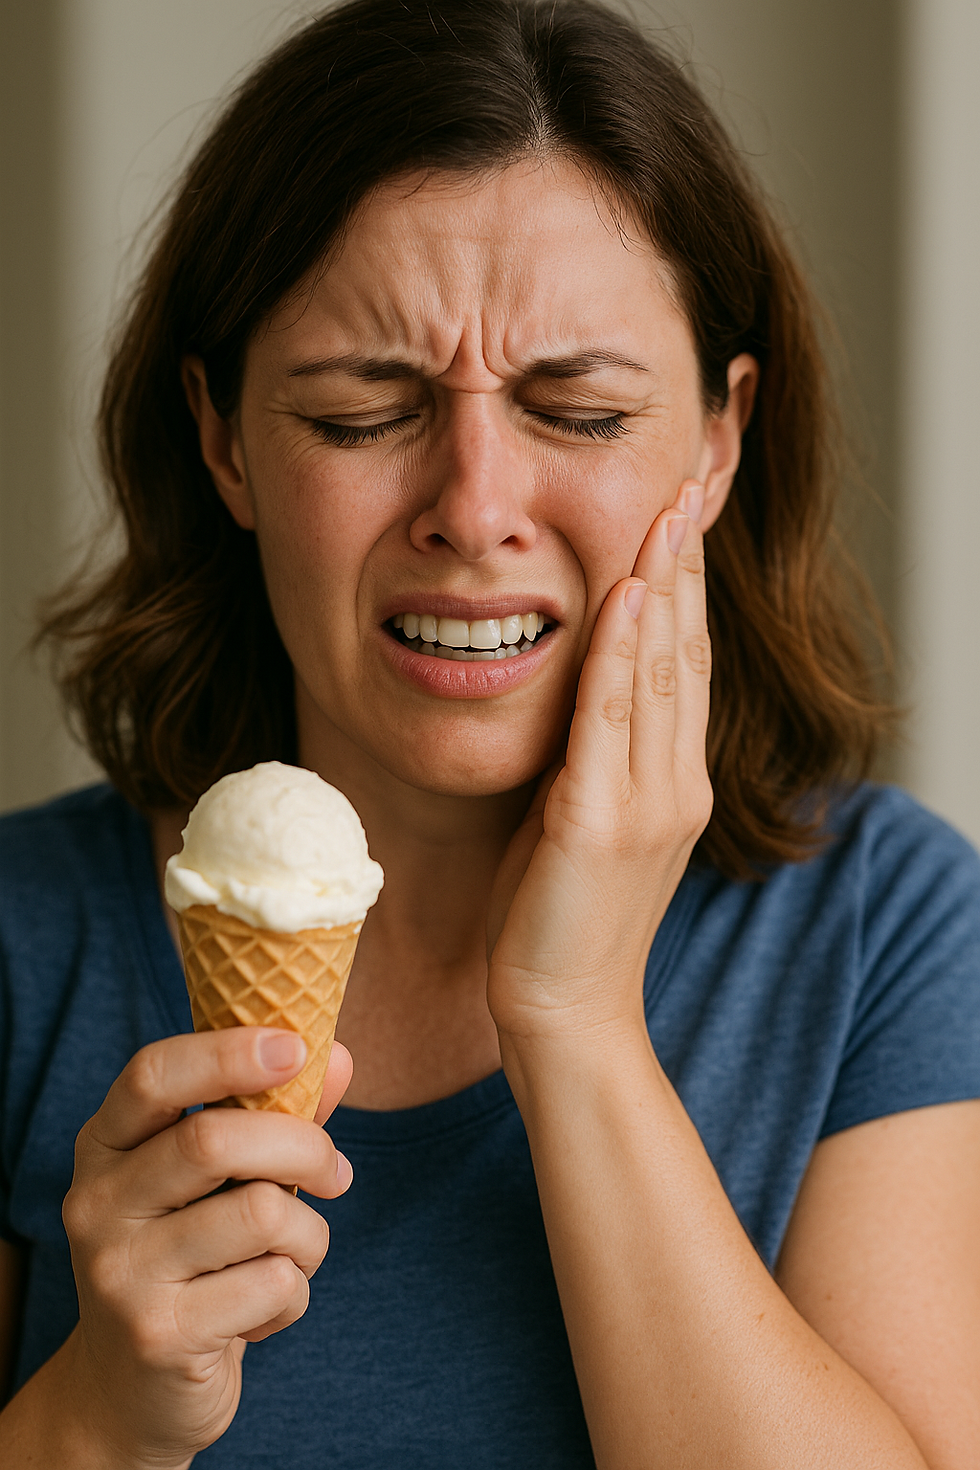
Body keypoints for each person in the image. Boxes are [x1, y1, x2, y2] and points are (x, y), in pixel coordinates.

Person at [1, 0, 978, 1464]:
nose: (472, 506)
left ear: (719, 438)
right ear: (223, 437)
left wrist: (575, 1019)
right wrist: (93, 1417)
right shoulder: (26, 943)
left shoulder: (886, 926)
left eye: (577, 410)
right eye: (360, 412)